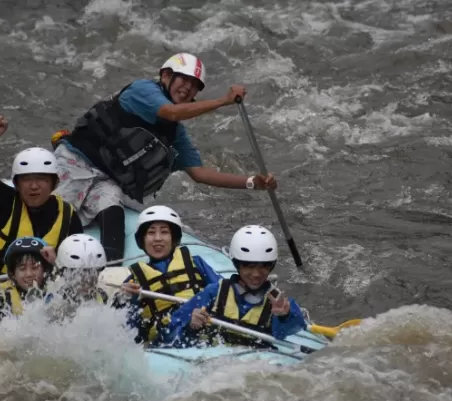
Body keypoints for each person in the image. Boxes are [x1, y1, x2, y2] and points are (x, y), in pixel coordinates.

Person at [50, 52, 277, 263]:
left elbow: (200, 173)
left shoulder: (175, 133)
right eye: (184, 81)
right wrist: (223, 101)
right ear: (166, 76)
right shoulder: (142, 91)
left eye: (194, 87)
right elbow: (170, 111)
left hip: (107, 181)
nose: (188, 89)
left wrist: (251, 182)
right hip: (76, 160)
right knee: (58, 216)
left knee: (113, 214)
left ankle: (110, 273)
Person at [0, 116, 82, 318]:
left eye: (41, 179)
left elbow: (76, 268)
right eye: (27, 180)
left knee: (65, 305)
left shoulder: (67, 216)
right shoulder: (2, 203)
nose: (34, 186)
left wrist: (58, 263)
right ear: (16, 184)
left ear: (54, 184)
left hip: (35, 294)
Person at [168, 225, 307, 347]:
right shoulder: (214, 292)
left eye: (264, 266)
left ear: (272, 266)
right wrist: (189, 324)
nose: (256, 274)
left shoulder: (277, 302)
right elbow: (172, 328)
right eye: (249, 266)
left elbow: (289, 329)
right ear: (237, 264)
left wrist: (284, 316)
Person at [114, 205, 221, 345]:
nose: (158, 238)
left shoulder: (195, 263)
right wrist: (124, 299)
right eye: (151, 233)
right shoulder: (135, 281)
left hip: (202, 328)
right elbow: (126, 329)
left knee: (212, 290)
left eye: (164, 232)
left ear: (173, 237)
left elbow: (225, 292)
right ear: (143, 239)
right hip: (166, 341)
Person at [0, 237, 53, 326]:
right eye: (22, 268)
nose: (29, 274)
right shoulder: (3, 299)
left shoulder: (54, 289)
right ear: (13, 274)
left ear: (45, 270)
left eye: (35, 267)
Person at [44, 234, 109, 321]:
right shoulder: (54, 300)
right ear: (64, 273)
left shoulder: (103, 296)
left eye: (91, 272)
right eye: (78, 273)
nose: (87, 279)